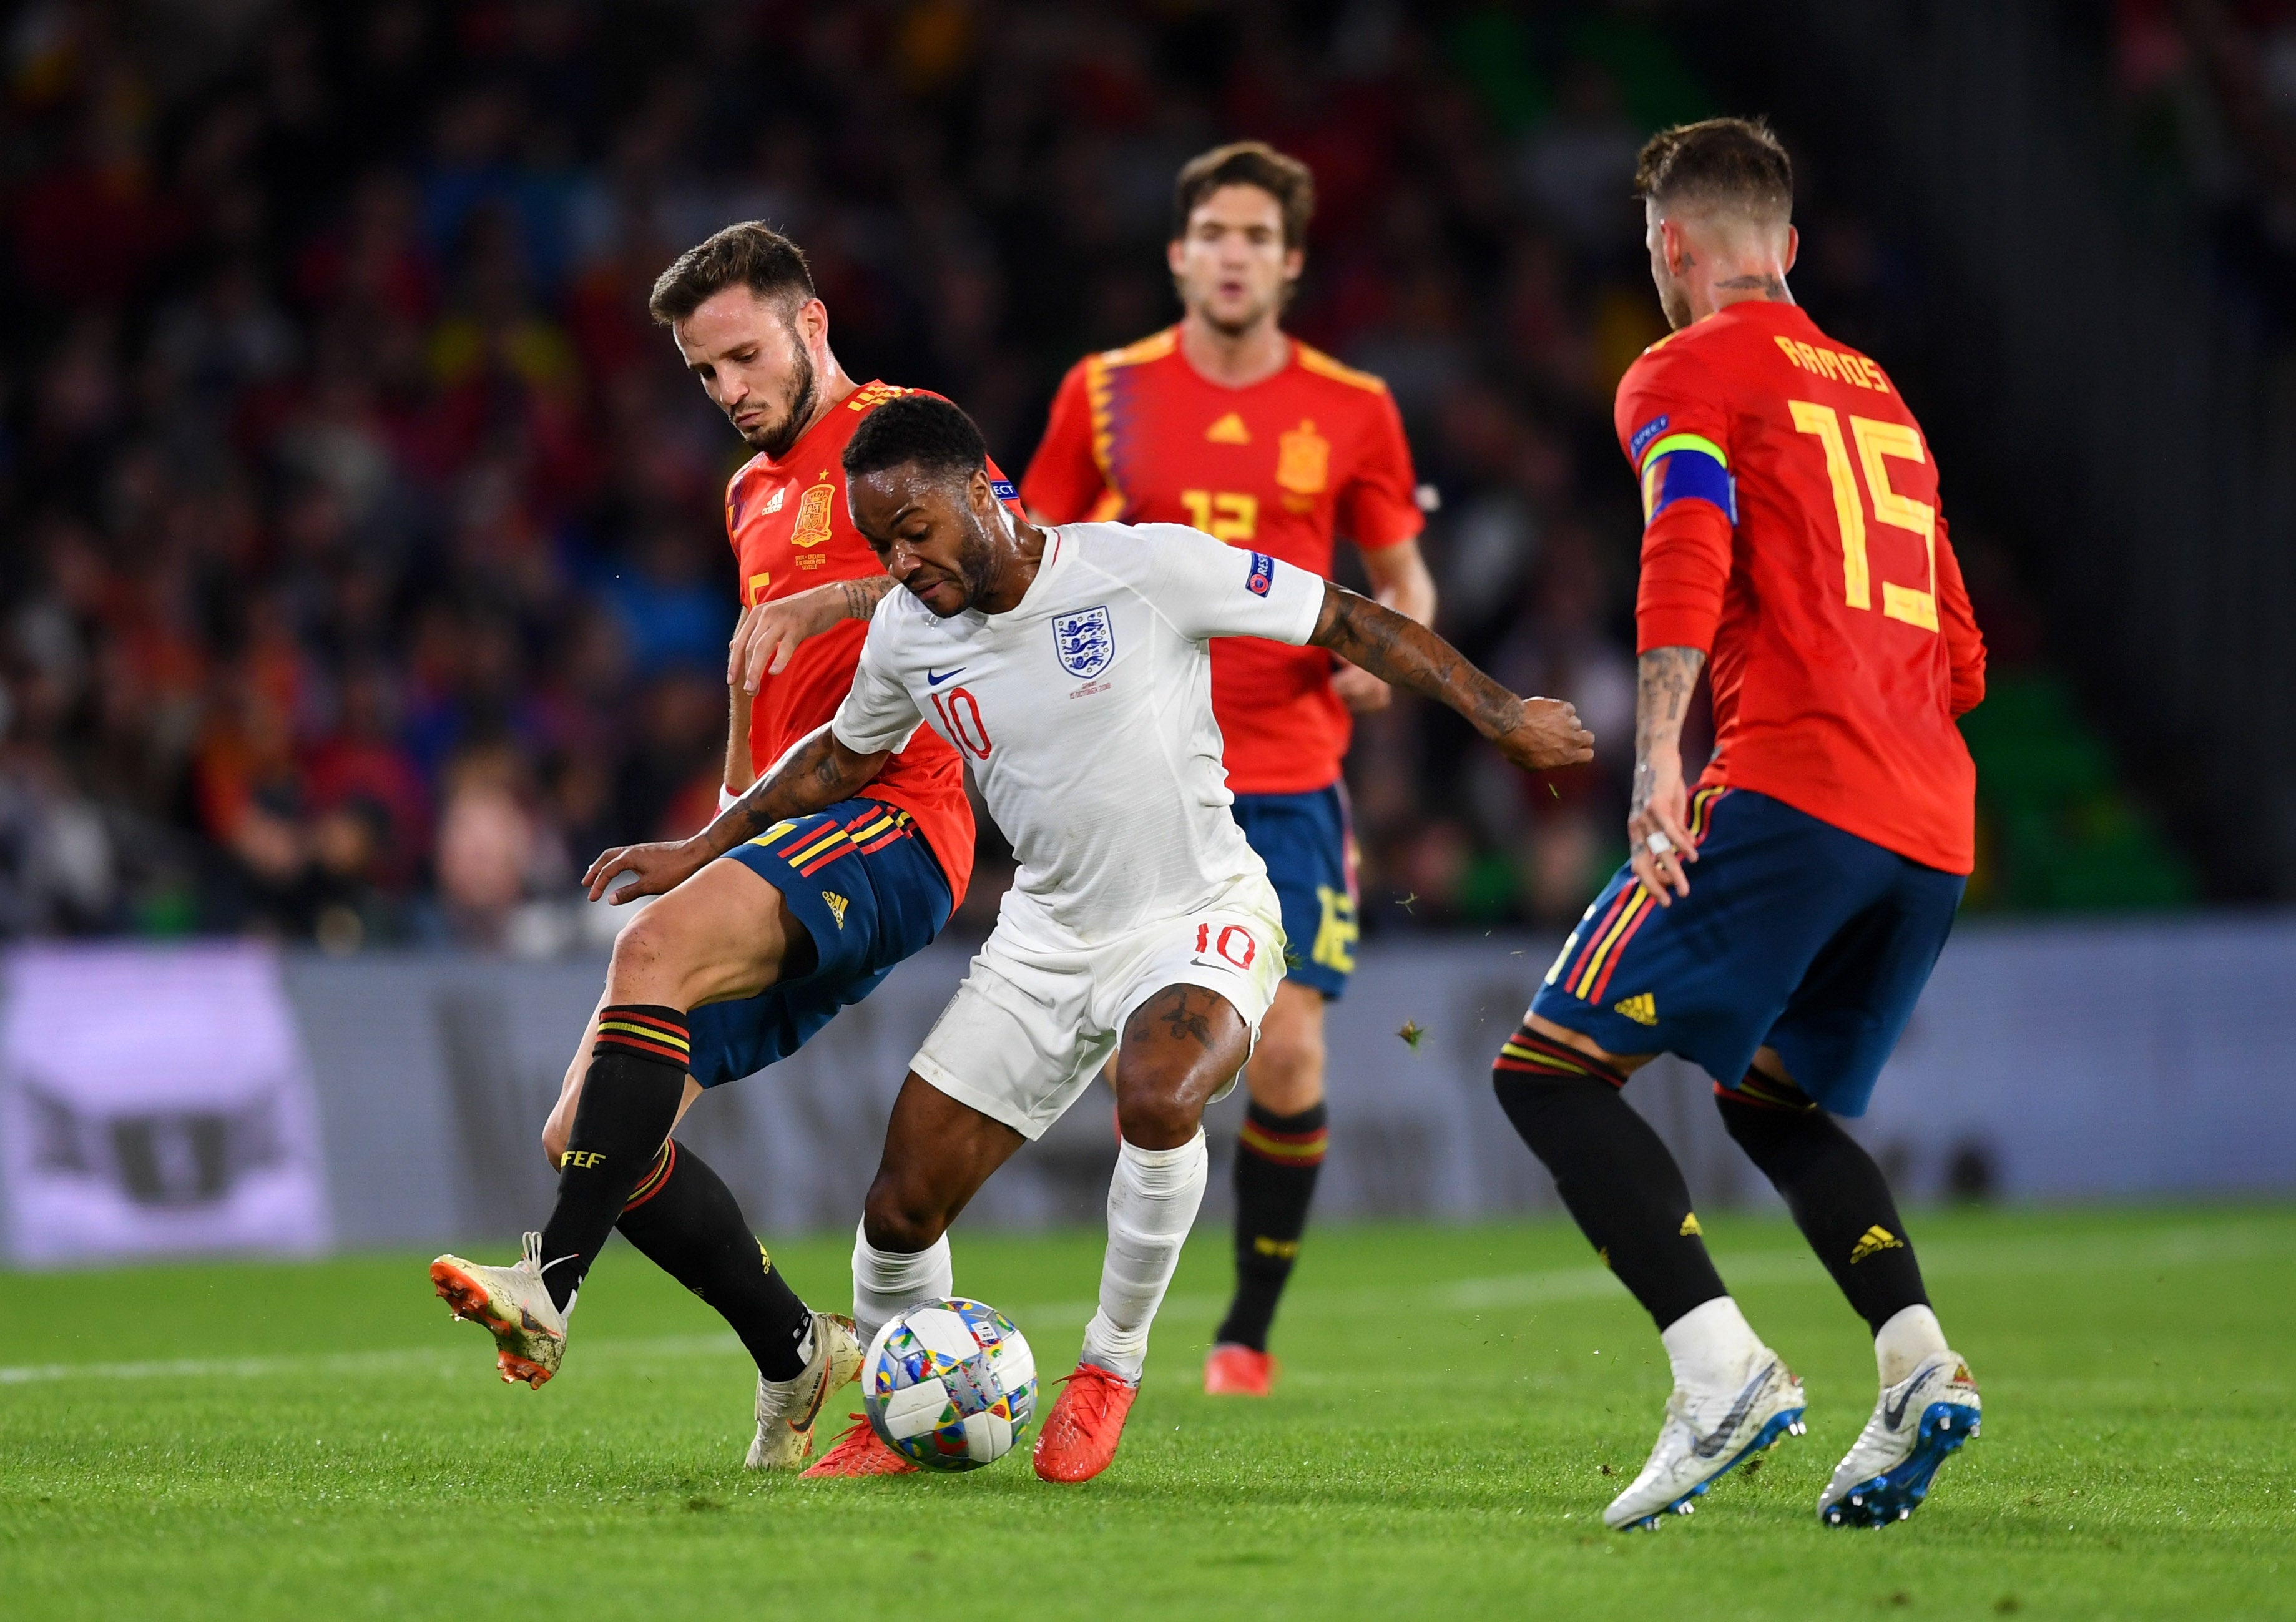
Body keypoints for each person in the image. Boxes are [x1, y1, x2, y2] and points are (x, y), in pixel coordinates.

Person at [583, 393, 1593, 1484]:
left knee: (1158, 1092)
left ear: (980, 489)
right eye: (881, 545)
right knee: (899, 1202)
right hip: (1048, 935)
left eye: (914, 531)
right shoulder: (909, 633)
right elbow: (838, 759)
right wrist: (700, 848)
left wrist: (1502, 716)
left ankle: (1108, 1367)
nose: (902, 562)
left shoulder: (1140, 567)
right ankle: (899, 1402)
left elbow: (1344, 616)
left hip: (1200, 911)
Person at [427, 223, 1018, 1473]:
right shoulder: (748, 493)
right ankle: (797, 1351)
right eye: (703, 375)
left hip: (903, 815)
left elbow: (1003, 564)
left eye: (743, 358)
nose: (729, 393)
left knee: (647, 952)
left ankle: (548, 1284)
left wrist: (837, 598)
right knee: (589, 1132)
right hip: (791, 828)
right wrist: (708, 833)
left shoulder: (909, 425)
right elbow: (765, 701)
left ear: (809, 325)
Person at [1489, 119, 1989, 1531]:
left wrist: (1660, 757)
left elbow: (1686, 538)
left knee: (1548, 1070)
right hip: (1933, 821)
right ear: (1793, 245)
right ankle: (1914, 1362)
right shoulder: (1882, 396)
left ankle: (1721, 1371)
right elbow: (1962, 649)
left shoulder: (1680, 366)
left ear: (1672, 248)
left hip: (1795, 784)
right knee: (1772, 1095)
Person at [1023, 141, 1436, 1397]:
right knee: (1142, 1059)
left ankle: (1246, 1330)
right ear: (1179, 254)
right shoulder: (1103, 392)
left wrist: (1389, 650)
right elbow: (1033, 557)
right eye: (1216, 232)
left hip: (1290, 768)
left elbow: (1404, 575)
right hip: (1137, 774)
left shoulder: (1354, 406)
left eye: (1261, 235)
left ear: (1292, 262)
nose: (1237, 253)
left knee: (1290, 1056)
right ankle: (1114, 1311)